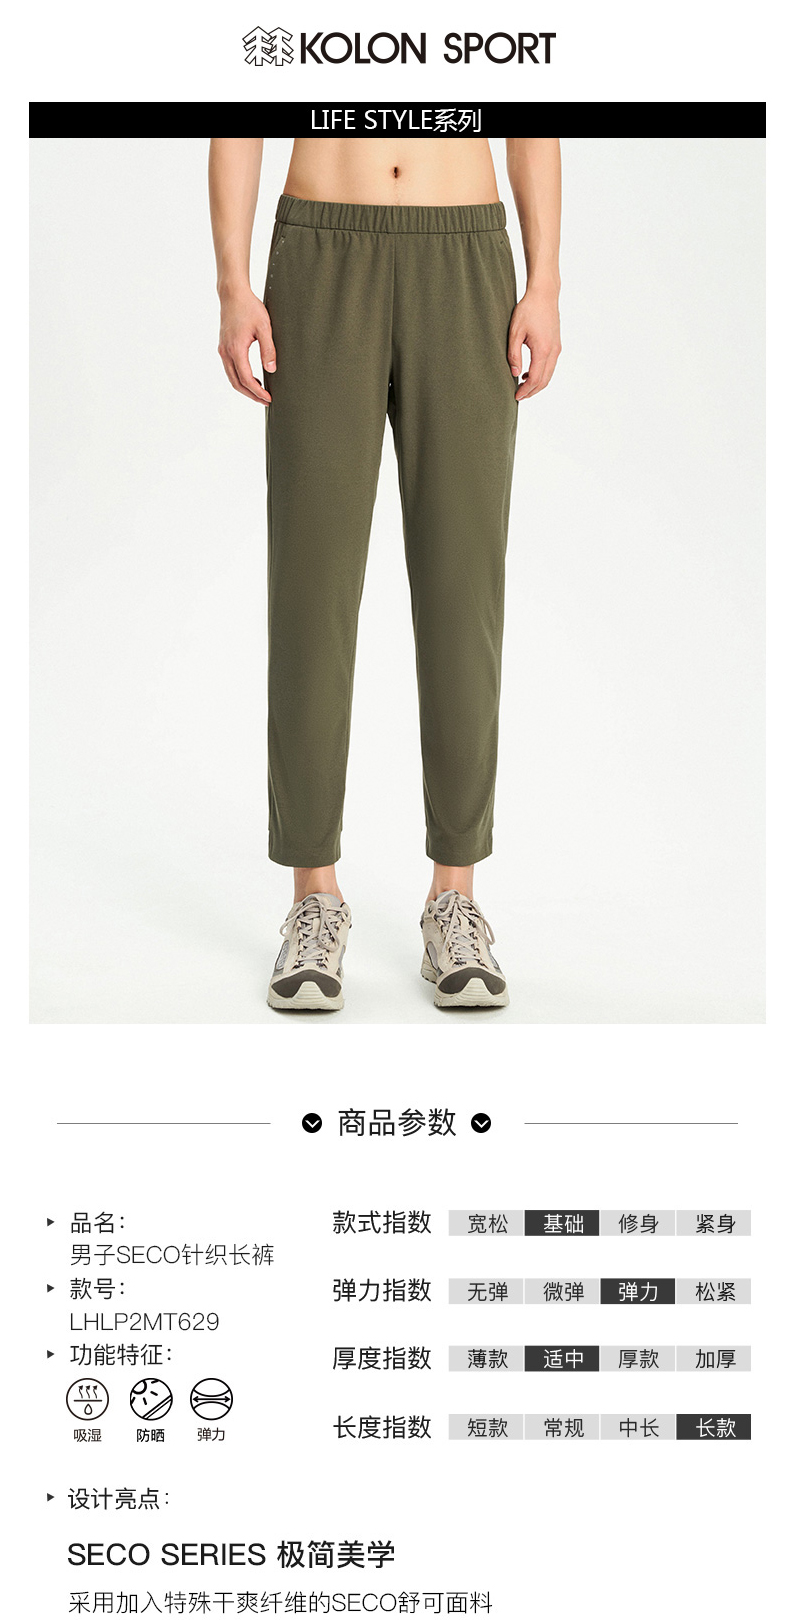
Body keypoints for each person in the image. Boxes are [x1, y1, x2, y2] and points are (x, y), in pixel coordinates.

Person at [209, 137, 562, 1011]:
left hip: (465, 256)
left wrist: (544, 281)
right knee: (310, 589)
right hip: (320, 253)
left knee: (462, 591)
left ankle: (455, 899)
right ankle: (313, 899)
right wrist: (232, 284)